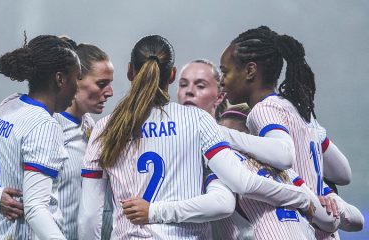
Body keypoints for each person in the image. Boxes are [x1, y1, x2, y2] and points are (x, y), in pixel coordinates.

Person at [79, 37, 312, 239]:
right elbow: (240, 184)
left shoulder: (105, 128)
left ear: (130, 71)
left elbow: (90, 217)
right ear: (171, 75)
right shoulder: (198, 120)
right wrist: (302, 196)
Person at [0, 40, 114, 239]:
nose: (110, 92)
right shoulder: (44, 124)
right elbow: (35, 208)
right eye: (101, 83)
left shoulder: (89, 126)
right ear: (62, 79)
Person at [219, 25, 352, 239]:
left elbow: (283, 154)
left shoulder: (263, 109)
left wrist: (220, 135)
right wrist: (324, 196)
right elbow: (343, 174)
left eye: (225, 71)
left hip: (301, 228)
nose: (221, 80)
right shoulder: (298, 110)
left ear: (250, 71)